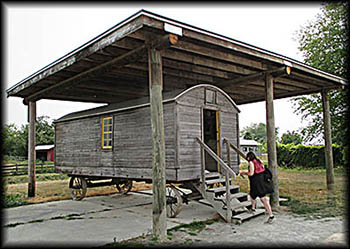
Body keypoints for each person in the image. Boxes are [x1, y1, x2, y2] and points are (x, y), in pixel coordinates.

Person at [239, 151, 274, 224]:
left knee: (263, 199)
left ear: (249, 157)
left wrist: (244, 173)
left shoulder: (251, 162)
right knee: (252, 195)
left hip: (256, 182)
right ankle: (253, 208)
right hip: (261, 181)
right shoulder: (258, 161)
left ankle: (271, 215)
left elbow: (251, 173)